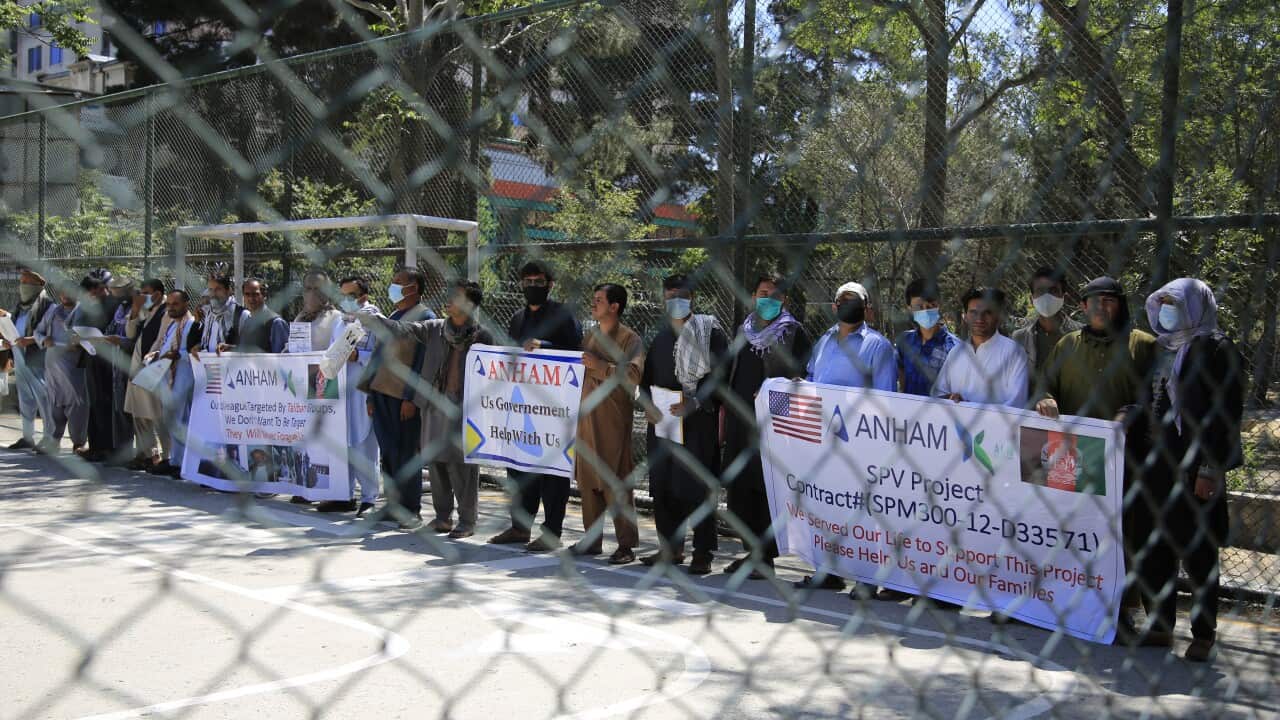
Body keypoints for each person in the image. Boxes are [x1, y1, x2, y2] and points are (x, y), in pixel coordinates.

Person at [1031, 276, 1156, 631]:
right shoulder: (1067, 344)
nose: (1101, 306)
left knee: (1125, 530)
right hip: (1074, 455)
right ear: (1083, 307)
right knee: (1073, 527)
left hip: (1126, 457)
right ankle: (1069, 596)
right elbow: (1043, 384)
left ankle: (1129, 605)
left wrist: (1133, 411)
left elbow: (1158, 395)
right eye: (1093, 300)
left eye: (1109, 300)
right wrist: (1045, 398)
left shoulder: (1143, 344)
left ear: (1120, 305)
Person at [1139, 279, 1243, 662]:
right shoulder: (1163, 349)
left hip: (1197, 462)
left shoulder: (1217, 349)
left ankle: (1203, 633)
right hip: (1159, 464)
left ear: (1196, 307)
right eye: (1162, 304)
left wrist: (1210, 467)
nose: (1167, 312)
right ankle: (1160, 626)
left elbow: (1226, 414)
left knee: (1198, 551)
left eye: (1175, 305)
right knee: (1156, 548)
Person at [357, 280, 494, 538]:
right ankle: (443, 518)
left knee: (461, 466)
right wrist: (376, 320)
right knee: (436, 462)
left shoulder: (481, 336)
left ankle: (467, 520)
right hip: (432, 404)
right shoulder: (434, 329)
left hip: (465, 408)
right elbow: (402, 329)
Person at [799, 281, 897, 595]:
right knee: (826, 504)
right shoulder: (824, 340)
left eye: (854, 300)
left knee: (861, 510)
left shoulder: (878, 345)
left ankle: (866, 577)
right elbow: (813, 379)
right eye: (842, 299)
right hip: (823, 438)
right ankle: (826, 570)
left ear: (867, 307)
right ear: (833, 305)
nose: (847, 304)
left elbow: (884, 397)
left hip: (860, 442)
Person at [487, 261, 583, 551]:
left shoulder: (564, 316)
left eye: (538, 281)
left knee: (552, 471)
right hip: (521, 406)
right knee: (518, 467)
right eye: (527, 281)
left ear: (550, 284)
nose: (532, 286)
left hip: (554, 409)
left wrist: (545, 346)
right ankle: (520, 526)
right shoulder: (517, 318)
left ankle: (552, 531)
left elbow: (577, 354)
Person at [723, 274, 812, 579]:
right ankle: (752, 551)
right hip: (738, 419)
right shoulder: (743, 330)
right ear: (753, 296)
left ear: (784, 300)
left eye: (775, 296)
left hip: (773, 423)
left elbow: (802, 379)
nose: (768, 300)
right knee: (740, 487)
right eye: (763, 294)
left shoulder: (792, 333)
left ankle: (766, 555)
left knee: (766, 487)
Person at [639, 274, 728, 575]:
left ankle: (702, 552)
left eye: (682, 294)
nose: (675, 298)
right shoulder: (661, 336)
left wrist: (695, 402)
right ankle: (670, 548)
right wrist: (647, 405)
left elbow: (720, 375)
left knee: (696, 488)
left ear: (693, 298)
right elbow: (645, 382)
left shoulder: (708, 332)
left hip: (697, 424)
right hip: (663, 424)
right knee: (663, 487)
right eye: (670, 293)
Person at [357, 267, 434, 530]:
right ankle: (392, 505)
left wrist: (411, 399)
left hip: (403, 397)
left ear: (414, 287)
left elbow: (423, 363)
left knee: (406, 454)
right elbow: (379, 356)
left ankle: (412, 509)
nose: (393, 286)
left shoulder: (425, 316)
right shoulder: (392, 315)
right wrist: (370, 393)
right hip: (381, 393)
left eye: (399, 283)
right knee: (388, 454)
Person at [573, 283, 644, 565]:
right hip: (586, 419)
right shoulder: (590, 336)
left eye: (599, 300)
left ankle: (626, 545)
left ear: (614, 306)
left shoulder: (630, 339)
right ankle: (591, 540)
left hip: (614, 420)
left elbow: (634, 375)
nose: (594, 304)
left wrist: (600, 366)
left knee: (616, 480)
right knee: (588, 480)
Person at [315, 277, 381, 517]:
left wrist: (359, 358)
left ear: (363, 296)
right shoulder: (340, 323)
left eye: (350, 295)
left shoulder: (373, 319)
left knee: (364, 443)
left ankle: (369, 498)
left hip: (364, 389)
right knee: (343, 443)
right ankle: (345, 494)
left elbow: (382, 354)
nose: (345, 300)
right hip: (341, 389)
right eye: (342, 295)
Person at [933, 287, 1029, 408]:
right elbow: (938, 394)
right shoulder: (956, 352)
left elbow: (1016, 405)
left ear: (998, 316)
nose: (979, 318)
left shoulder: (1014, 353)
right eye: (973, 312)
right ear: (965, 316)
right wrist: (951, 399)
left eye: (987, 312)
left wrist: (973, 411)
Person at [33, 285, 90, 454]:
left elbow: (93, 335)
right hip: (52, 368)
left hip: (74, 367)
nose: (65, 295)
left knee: (77, 406)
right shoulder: (52, 312)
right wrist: (44, 340)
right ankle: (53, 441)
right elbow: (37, 332)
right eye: (63, 292)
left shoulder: (84, 312)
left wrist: (81, 342)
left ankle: (78, 443)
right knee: (54, 406)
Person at [153, 290, 203, 478]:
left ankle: (183, 464)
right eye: (169, 304)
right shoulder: (172, 325)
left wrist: (176, 355)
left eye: (175, 304)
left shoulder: (191, 324)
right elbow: (167, 347)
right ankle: (175, 460)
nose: (171, 308)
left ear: (185, 304)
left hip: (184, 377)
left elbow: (192, 351)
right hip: (169, 378)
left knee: (182, 420)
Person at [4, 270, 55, 451]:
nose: (23, 286)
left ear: (39, 286)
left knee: (43, 397)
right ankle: (27, 437)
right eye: (22, 282)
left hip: (37, 357)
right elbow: (15, 328)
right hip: (19, 354)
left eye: (27, 282)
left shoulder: (48, 307)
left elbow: (51, 334)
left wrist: (30, 340)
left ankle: (50, 438)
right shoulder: (20, 307)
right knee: (25, 398)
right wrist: (9, 342)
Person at [123, 279, 171, 472]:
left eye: (146, 293)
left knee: (156, 414)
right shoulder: (146, 310)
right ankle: (146, 454)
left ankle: (166, 457)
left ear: (157, 295)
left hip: (154, 368)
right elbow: (129, 332)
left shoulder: (168, 310)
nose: (142, 297)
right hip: (138, 367)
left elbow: (162, 340)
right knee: (139, 414)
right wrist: (134, 311)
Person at [1011, 267, 1081, 396]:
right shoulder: (1019, 338)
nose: (1046, 296)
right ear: (1032, 299)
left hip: (1070, 413)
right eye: (1040, 291)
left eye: (1053, 290)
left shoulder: (1082, 334)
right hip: (1031, 412)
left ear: (1064, 296)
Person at [73, 270, 117, 463]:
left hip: (109, 360)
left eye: (93, 291)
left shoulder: (115, 304)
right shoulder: (90, 306)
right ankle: (96, 446)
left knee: (106, 403)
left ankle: (107, 448)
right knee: (95, 403)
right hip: (91, 356)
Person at [897, 278, 960, 397]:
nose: (925, 310)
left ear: (939, 305)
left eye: (931, 305)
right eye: (919, 307)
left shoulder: (955, 347)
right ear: (910, 309)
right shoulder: (905, 341)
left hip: (939, 413)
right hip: (906, 412)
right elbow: (902, 376)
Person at [219, 278, 287, 353]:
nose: (251, 298)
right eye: (247, 294)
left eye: (255, 294)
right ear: (243, 297)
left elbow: (282, 359)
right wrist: (229, 348)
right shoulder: (248, 321)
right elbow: (247, 350)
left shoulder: (276, 323)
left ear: (264, 295)